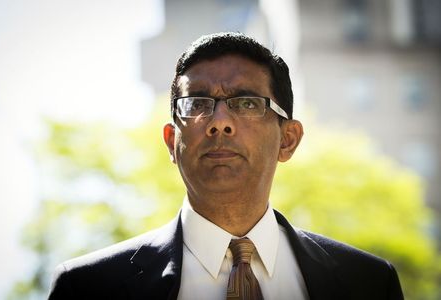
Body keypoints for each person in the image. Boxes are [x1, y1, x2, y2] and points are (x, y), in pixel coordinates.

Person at [47, 32, 404, 300]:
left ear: (288, 139)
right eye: (197, 102)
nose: (219, 122)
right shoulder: (88, 288)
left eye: (246, 103)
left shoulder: (369, 283)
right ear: (172, 142)